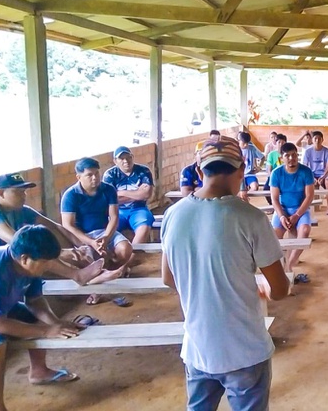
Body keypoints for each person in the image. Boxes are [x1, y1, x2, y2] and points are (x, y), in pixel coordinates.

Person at [161, 135, 289, 411]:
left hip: (198, 347)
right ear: (242, 169)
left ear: (199, 171)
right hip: (244, 350)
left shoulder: (173, 215)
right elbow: (280, 289)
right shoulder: (251, 218)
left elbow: (169, 278)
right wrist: (261, 288)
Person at [0, 225, 86, 411]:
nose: (48, 266)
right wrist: (46, 331)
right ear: (25, 258)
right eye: (45, 262)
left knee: (34, 320)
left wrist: (56, 323)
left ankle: (39, 372)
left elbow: (35, 301)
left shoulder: (29, 267)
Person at [0, 173, 115, 285]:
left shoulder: (21, 210)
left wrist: (81, 245)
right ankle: (78, 275)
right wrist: (61, 253)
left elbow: (55, 226)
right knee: (39, 254)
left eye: (24, 191)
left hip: (13, 256)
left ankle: (90, 275)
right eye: (18, 192)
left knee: (55, 240)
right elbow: (17, 244)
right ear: (1, 193)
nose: (24, 196)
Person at [61, 157, 133, 293]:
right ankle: (99, 284)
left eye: (96, 173)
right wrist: (91, 242)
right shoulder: (70, 195)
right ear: (78, 177)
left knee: (125, 249)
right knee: (93, 258)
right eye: (89, 175)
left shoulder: (108, 189)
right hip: (82, 235)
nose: (94, 178)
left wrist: (106, 237)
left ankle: (112, 271)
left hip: (104, 231)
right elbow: (68, 225)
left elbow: (114, 217)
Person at [270, 143, 314, 271]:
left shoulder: (306, 172)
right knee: (274, 235)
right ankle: (281, 263)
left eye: (294, 155)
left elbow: (309, 196)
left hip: (301, 209)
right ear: (281, 158)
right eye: (287, 155)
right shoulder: (276, 173)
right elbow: (274, 199)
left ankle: (290, 264)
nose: (291, 158)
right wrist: (282, 216)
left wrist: (297, 215)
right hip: (283, 209)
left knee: (304, 230)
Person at [103, 147, 155, 244]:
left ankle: (133, 252)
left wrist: (120, 192)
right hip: (117, 211)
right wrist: (137, 193)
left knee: (144, 228)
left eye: (128, 157)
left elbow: (147, 194)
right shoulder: (110, 174)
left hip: (139, 209)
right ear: (115, 161)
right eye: (121, 158)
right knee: (108, 230)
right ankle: (116, 251)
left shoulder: (143, 171)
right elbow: (108, 200)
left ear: (132, 157)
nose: (126, 161)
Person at [302, 130, 328, 217]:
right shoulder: (308, 152)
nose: (317, 140)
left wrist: (323, 177)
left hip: (323, 174)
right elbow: (305, 167)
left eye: (319, 139)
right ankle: (304, 208)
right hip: (311, 174)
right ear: (312, 140)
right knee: (304, 186)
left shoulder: (327, 151)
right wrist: (312, 178)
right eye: (315, 138)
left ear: (322, 140)